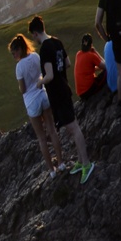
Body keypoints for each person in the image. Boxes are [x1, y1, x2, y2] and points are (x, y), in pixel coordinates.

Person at [29, 16, 91, 179]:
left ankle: (86, 163)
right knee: (72, 126)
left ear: (35, 33)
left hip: (57, 92)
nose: (33, 40)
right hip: (64, 87)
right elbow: (68, 63)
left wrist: (40, 82)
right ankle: (80, 160)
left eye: (33, 36)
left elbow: (48, 75)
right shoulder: (56, 42)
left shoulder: (45, 49)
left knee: (73, 128)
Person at [10, 35, 61, 172]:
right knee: (52, 130)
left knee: (41, 138)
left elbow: (23, 89)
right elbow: (41, 73)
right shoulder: (35, 56)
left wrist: (20, 88)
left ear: (19, 49)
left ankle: (51, 170)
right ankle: (61, 162)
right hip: (43, 95)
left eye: (14, 52)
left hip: (32, 102)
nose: (13, 55)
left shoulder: (19, 67)